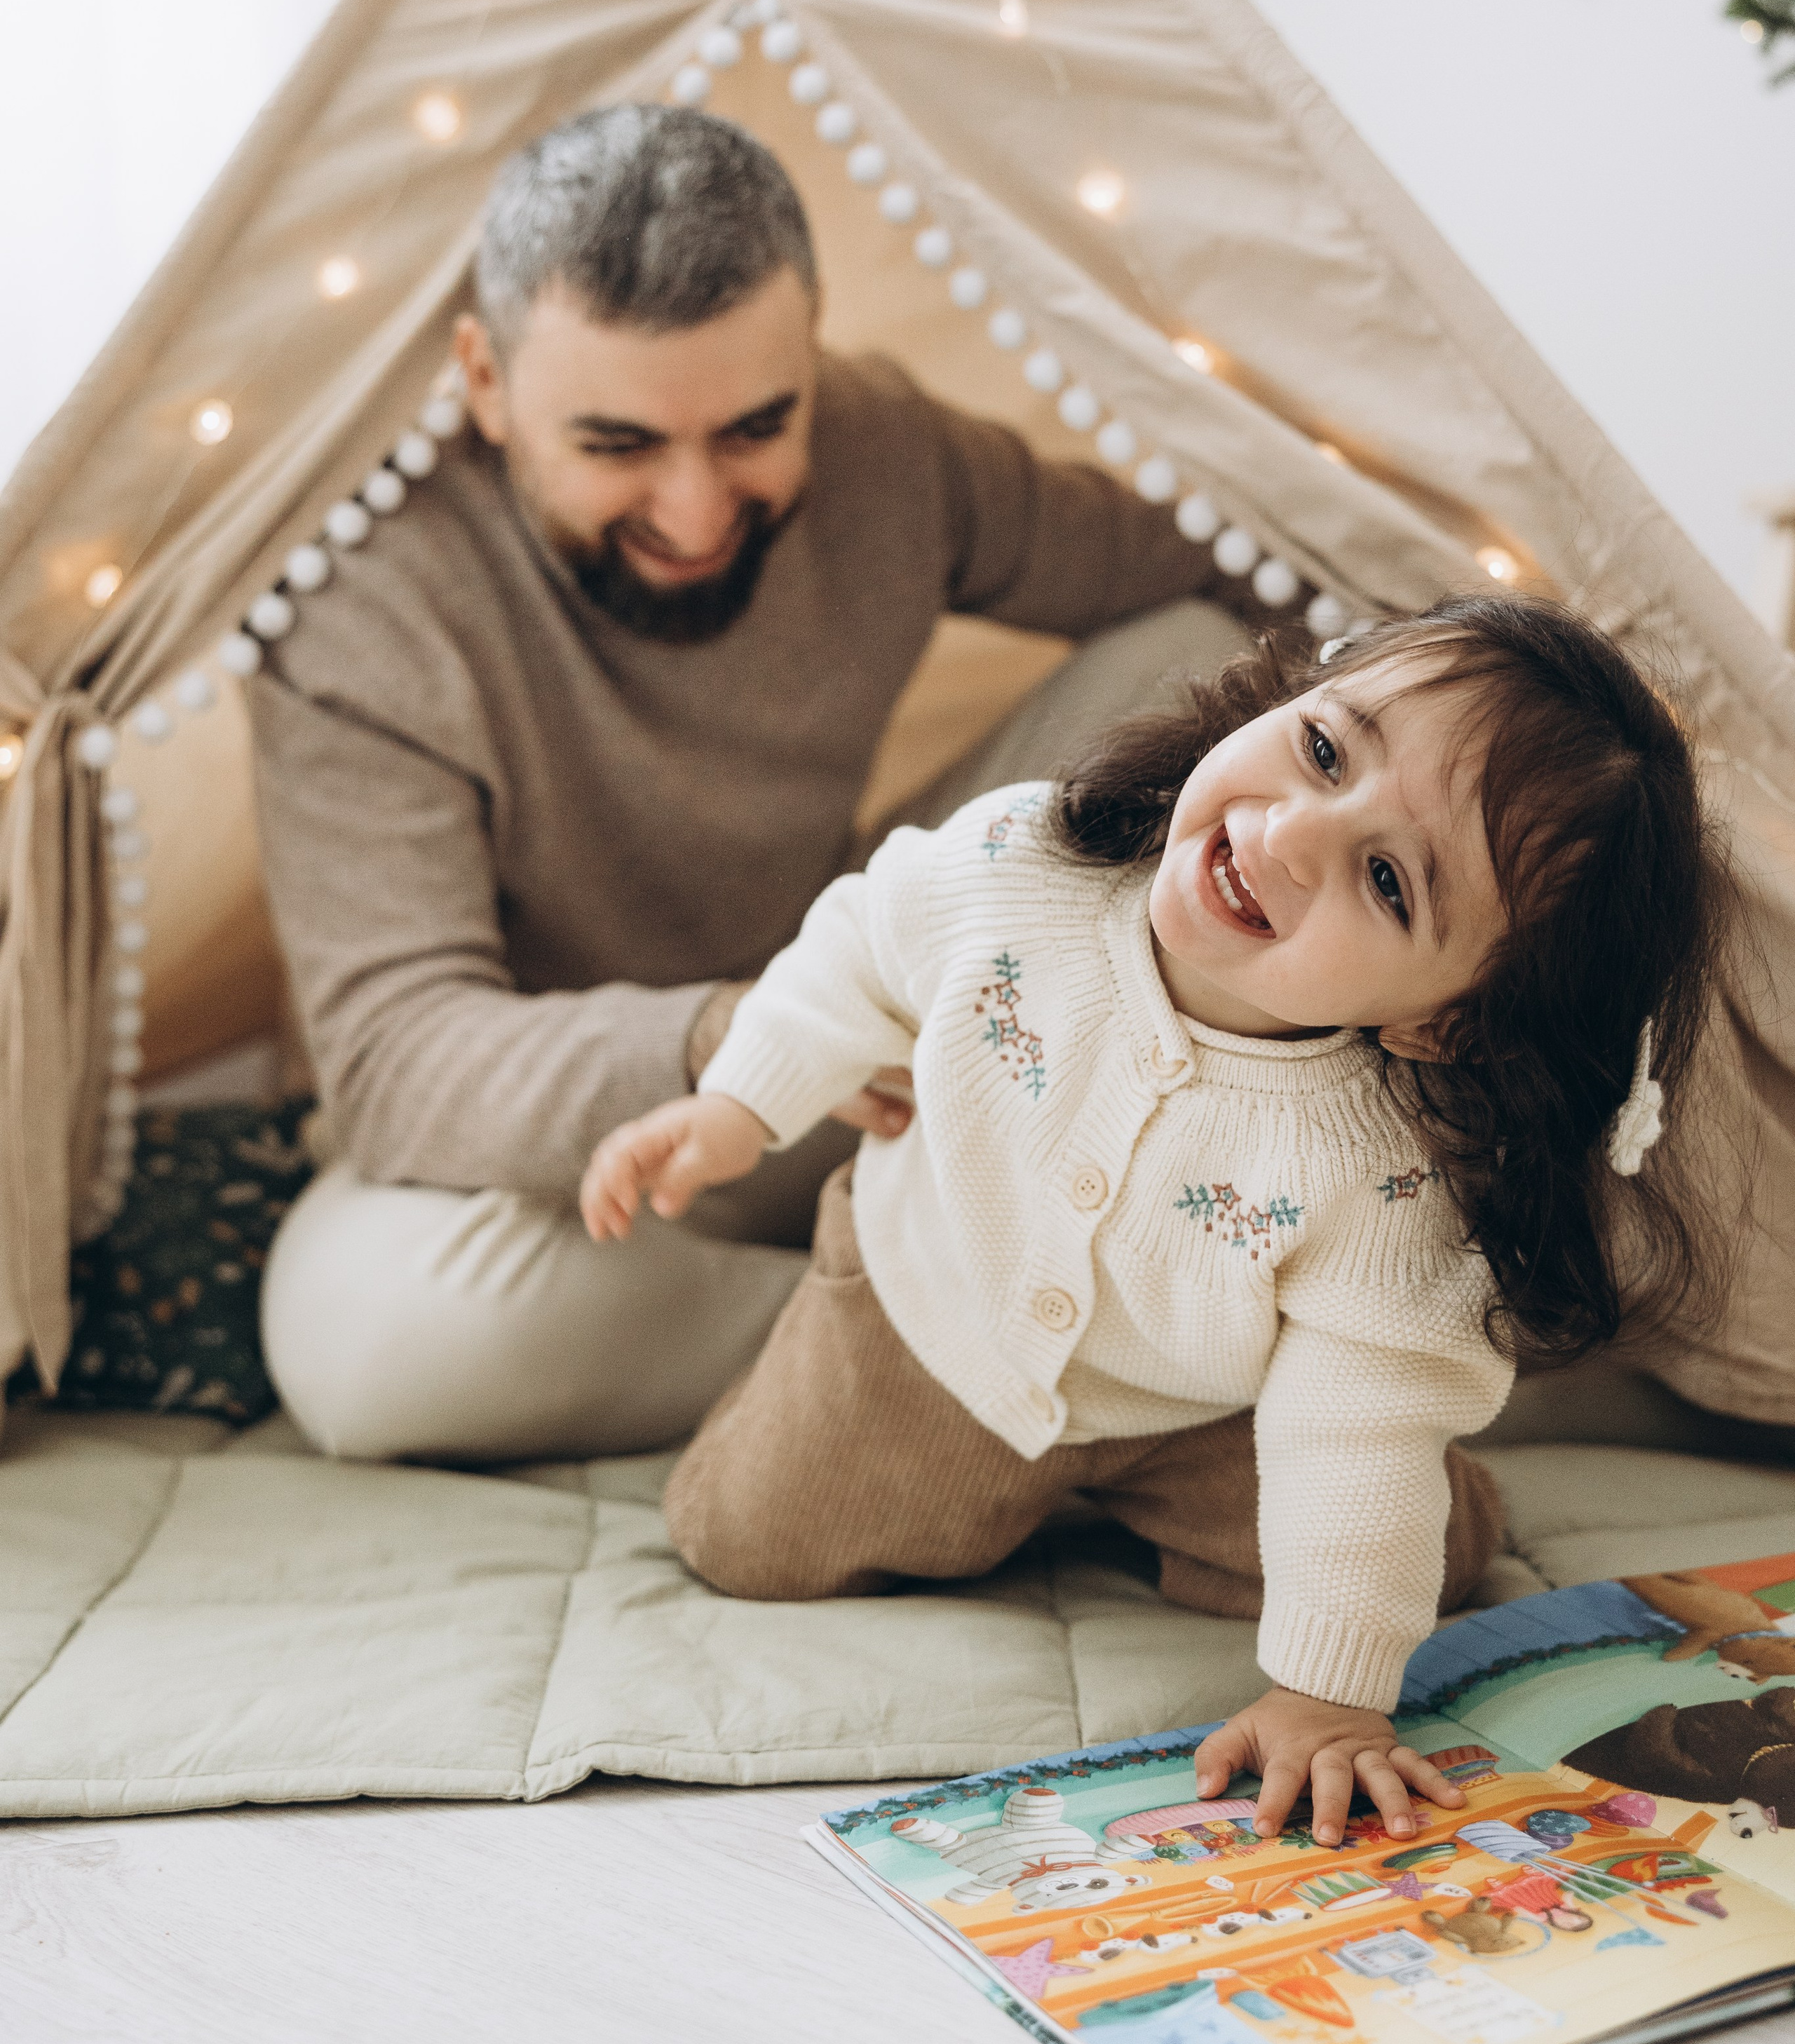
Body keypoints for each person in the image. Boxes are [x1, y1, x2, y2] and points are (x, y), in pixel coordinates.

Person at [583, 595, 1728, 1846]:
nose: (1290, 836)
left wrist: (1327, 1699)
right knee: (742, 1540)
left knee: (1395, 1557)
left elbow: (1352, 1426)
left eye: (1390, 881)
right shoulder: (1022, 871)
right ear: (1288, 700)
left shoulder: (1395, 1183)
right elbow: (862, 944)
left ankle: (1440, 1501)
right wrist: (738, 1108)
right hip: (928, 1317)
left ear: (1447, 1019)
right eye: (1327, 751)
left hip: (1202, 1407)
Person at [251, 102, 1265, 1462]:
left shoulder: (882, 447)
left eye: (751, 429)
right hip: (615, 1155)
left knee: (1204, 664)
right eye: (614, 445)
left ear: (810, 348)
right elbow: (394, 1062)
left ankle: (1014, 1298)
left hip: (884, 1056)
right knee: (367, 1345)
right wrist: (731, 1036)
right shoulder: (357, 597)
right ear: (484, 382)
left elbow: (1198, 561)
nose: (693, 512)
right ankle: (981, 1343)